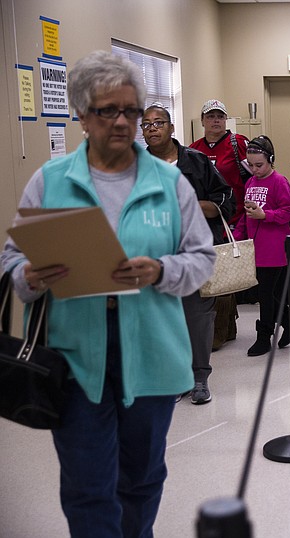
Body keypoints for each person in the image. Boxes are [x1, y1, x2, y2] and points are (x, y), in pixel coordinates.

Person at [0, 50, 215, 537]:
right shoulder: (50, 181)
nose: (123, 122)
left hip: (154, 354)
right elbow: (13, 259)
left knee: (141, 479)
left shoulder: (169, 183)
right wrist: (29, 277)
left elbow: (202, 260)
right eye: (107, 111)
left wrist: (160, 269)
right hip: (75, 359)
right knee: (87, 486)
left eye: (132, 111)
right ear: (81, 114)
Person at [142, 103, 235, 405]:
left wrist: (188, 205)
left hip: (193, 251)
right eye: (146, 124)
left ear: (171, 128)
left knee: (197, 316)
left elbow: (224, 201)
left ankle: (199, 377)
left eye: (158, 122)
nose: (152, 128)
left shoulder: (196, 162)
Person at [190, 99, 249, 351]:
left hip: (234, 217)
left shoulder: (238, 144)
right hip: (204, 219)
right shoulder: (193, 150)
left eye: (220, 116)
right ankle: (224, 326)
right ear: (202, 121)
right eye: (210, 116)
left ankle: (221, 331)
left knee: (226, 271)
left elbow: (255, 173)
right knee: (214, 273)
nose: (215, 120)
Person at [233, 135, 290, 356]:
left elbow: (288, 212)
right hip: (255, 249)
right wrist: (238, 234)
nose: (255, 169)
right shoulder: (250, 182)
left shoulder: (279, 181)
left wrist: (265, 215)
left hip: (274, 248)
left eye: (259, 165)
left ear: (271, 160)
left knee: (266, 294)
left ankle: (264, 336)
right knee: (272, 294)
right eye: (250, 165)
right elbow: (246, 215)